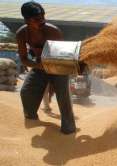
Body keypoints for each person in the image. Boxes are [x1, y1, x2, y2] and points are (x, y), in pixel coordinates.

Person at [16, 1, 76, 134]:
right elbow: (23, 59)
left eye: (43, 16)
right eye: (37, 19)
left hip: (58, 65)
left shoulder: (53, 31)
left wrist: (54, 83)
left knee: (63, 95)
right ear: (26, 20)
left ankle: (69, 129)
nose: (42, 20)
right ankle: (31, 119)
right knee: (26, 92)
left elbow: (61, 55)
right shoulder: (21, 34)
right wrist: (39, 65)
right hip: (39, 65)